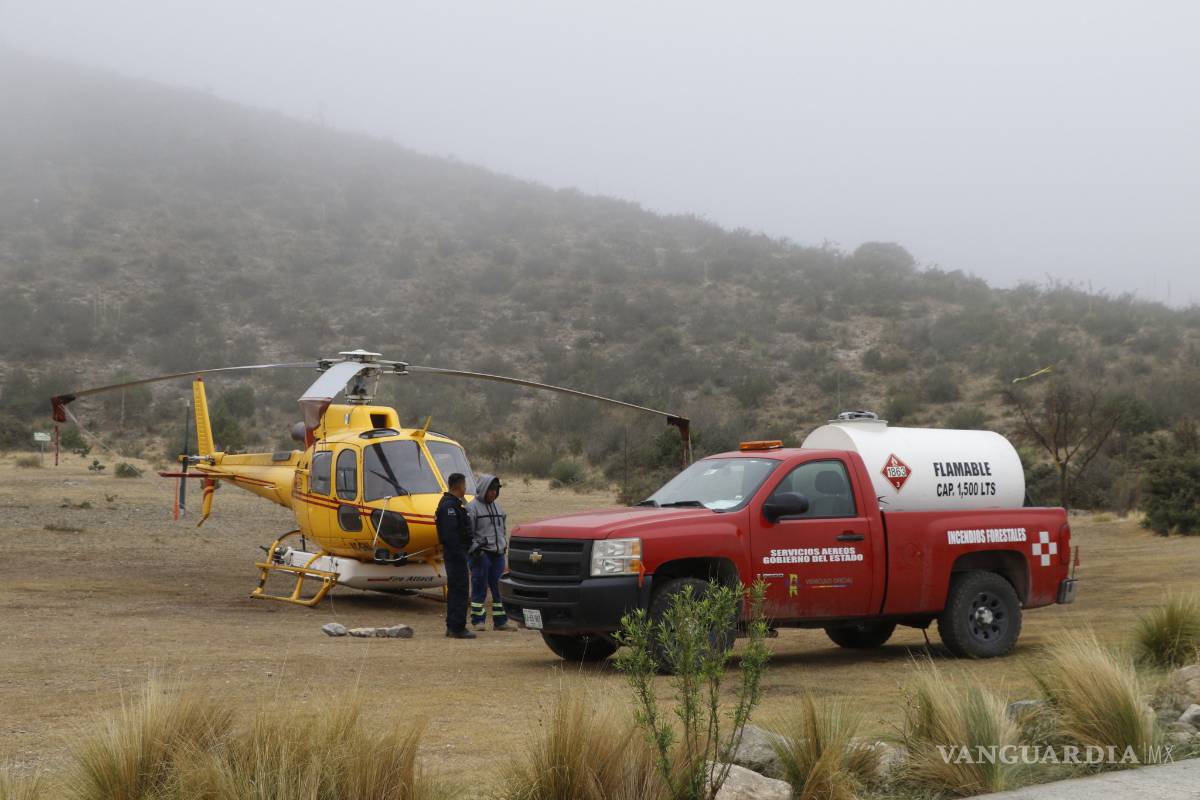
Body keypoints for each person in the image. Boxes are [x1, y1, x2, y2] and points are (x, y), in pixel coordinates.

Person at [466, 474, 516, 631]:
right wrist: (475, 551)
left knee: (499, 588)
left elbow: (502, 529)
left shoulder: (498, 507)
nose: (493, 493)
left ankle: (501, 621)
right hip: (481, 554)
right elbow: (468, 533)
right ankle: (478, 620)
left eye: (495, 490)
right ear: (483, 490)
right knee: (479, 586)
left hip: (498, 553)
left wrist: (503, 544)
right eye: (490, 490)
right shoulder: (471, 508)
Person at [436, 472, 475, 639]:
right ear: (459, 486)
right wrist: (461, 553)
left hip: (457, 555)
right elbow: (450, 535)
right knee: (459, 590)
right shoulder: (449, 507)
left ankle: (454, 625)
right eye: (464, 485)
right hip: (455, 556)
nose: (465, 488)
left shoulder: (453, 505)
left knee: (457, 590)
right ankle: (457, 627)